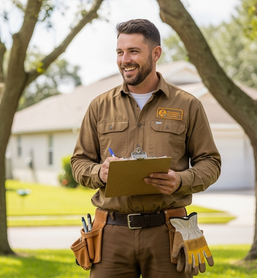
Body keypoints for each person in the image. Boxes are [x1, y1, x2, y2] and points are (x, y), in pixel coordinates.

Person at [71, 19, 221, 278]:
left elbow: (210, 162)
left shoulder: (188, 105)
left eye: (133, 51)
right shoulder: (99, 107)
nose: (124, 60)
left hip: (168, 234)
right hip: (111, 236)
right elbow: (79, 162)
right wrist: (99, 174)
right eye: (119, 52)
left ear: (156, 53)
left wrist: (180, 180)